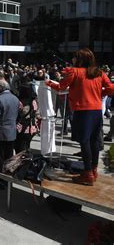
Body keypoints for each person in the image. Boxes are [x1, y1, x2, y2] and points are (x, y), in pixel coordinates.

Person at [46, 48, 114, 185]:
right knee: (94, 141)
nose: (72, 60)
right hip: (96, 111)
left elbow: (61, 87)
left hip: (83, 111)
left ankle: (87, 173)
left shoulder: (75, 71)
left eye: (75, 57)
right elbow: (112, 88)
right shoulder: (99, 72)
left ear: (80, 59)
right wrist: (99, 94)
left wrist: (49, 83)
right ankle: (93, 171)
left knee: (84, 142)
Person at [0, 79, 20, 189]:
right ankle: (7, 180)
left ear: (0, 88)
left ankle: (0, 181)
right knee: (8, 158)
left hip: (0, 133)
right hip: (11, 133)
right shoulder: (15, 98)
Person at [14, 84, 39, 153]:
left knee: (20, 148)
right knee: (27, 147)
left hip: (22, 128)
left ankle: (22, 162)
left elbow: (19, 114)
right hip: (32, 128)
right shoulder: (34, 101)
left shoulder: (21, 102)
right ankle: (27, 160)